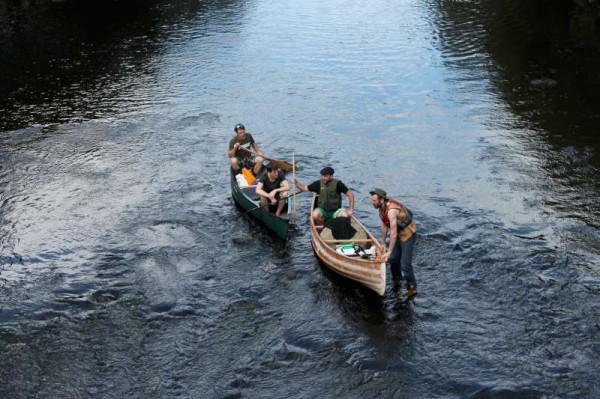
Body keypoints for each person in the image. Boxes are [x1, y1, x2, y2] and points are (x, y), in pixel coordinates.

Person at [370, 188, 418, 298]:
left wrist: (389, 250)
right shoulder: (381, 208)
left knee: (405, 264)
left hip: (407, 235)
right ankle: (397, 279)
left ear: (381, 200)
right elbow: (384, 225)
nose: (372, 203)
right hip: (397, 233)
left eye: (374, 201)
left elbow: (393, 232)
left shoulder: (391, 210)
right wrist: (382, 243)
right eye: (372, 200)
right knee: (393, 259)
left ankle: (412, 287)